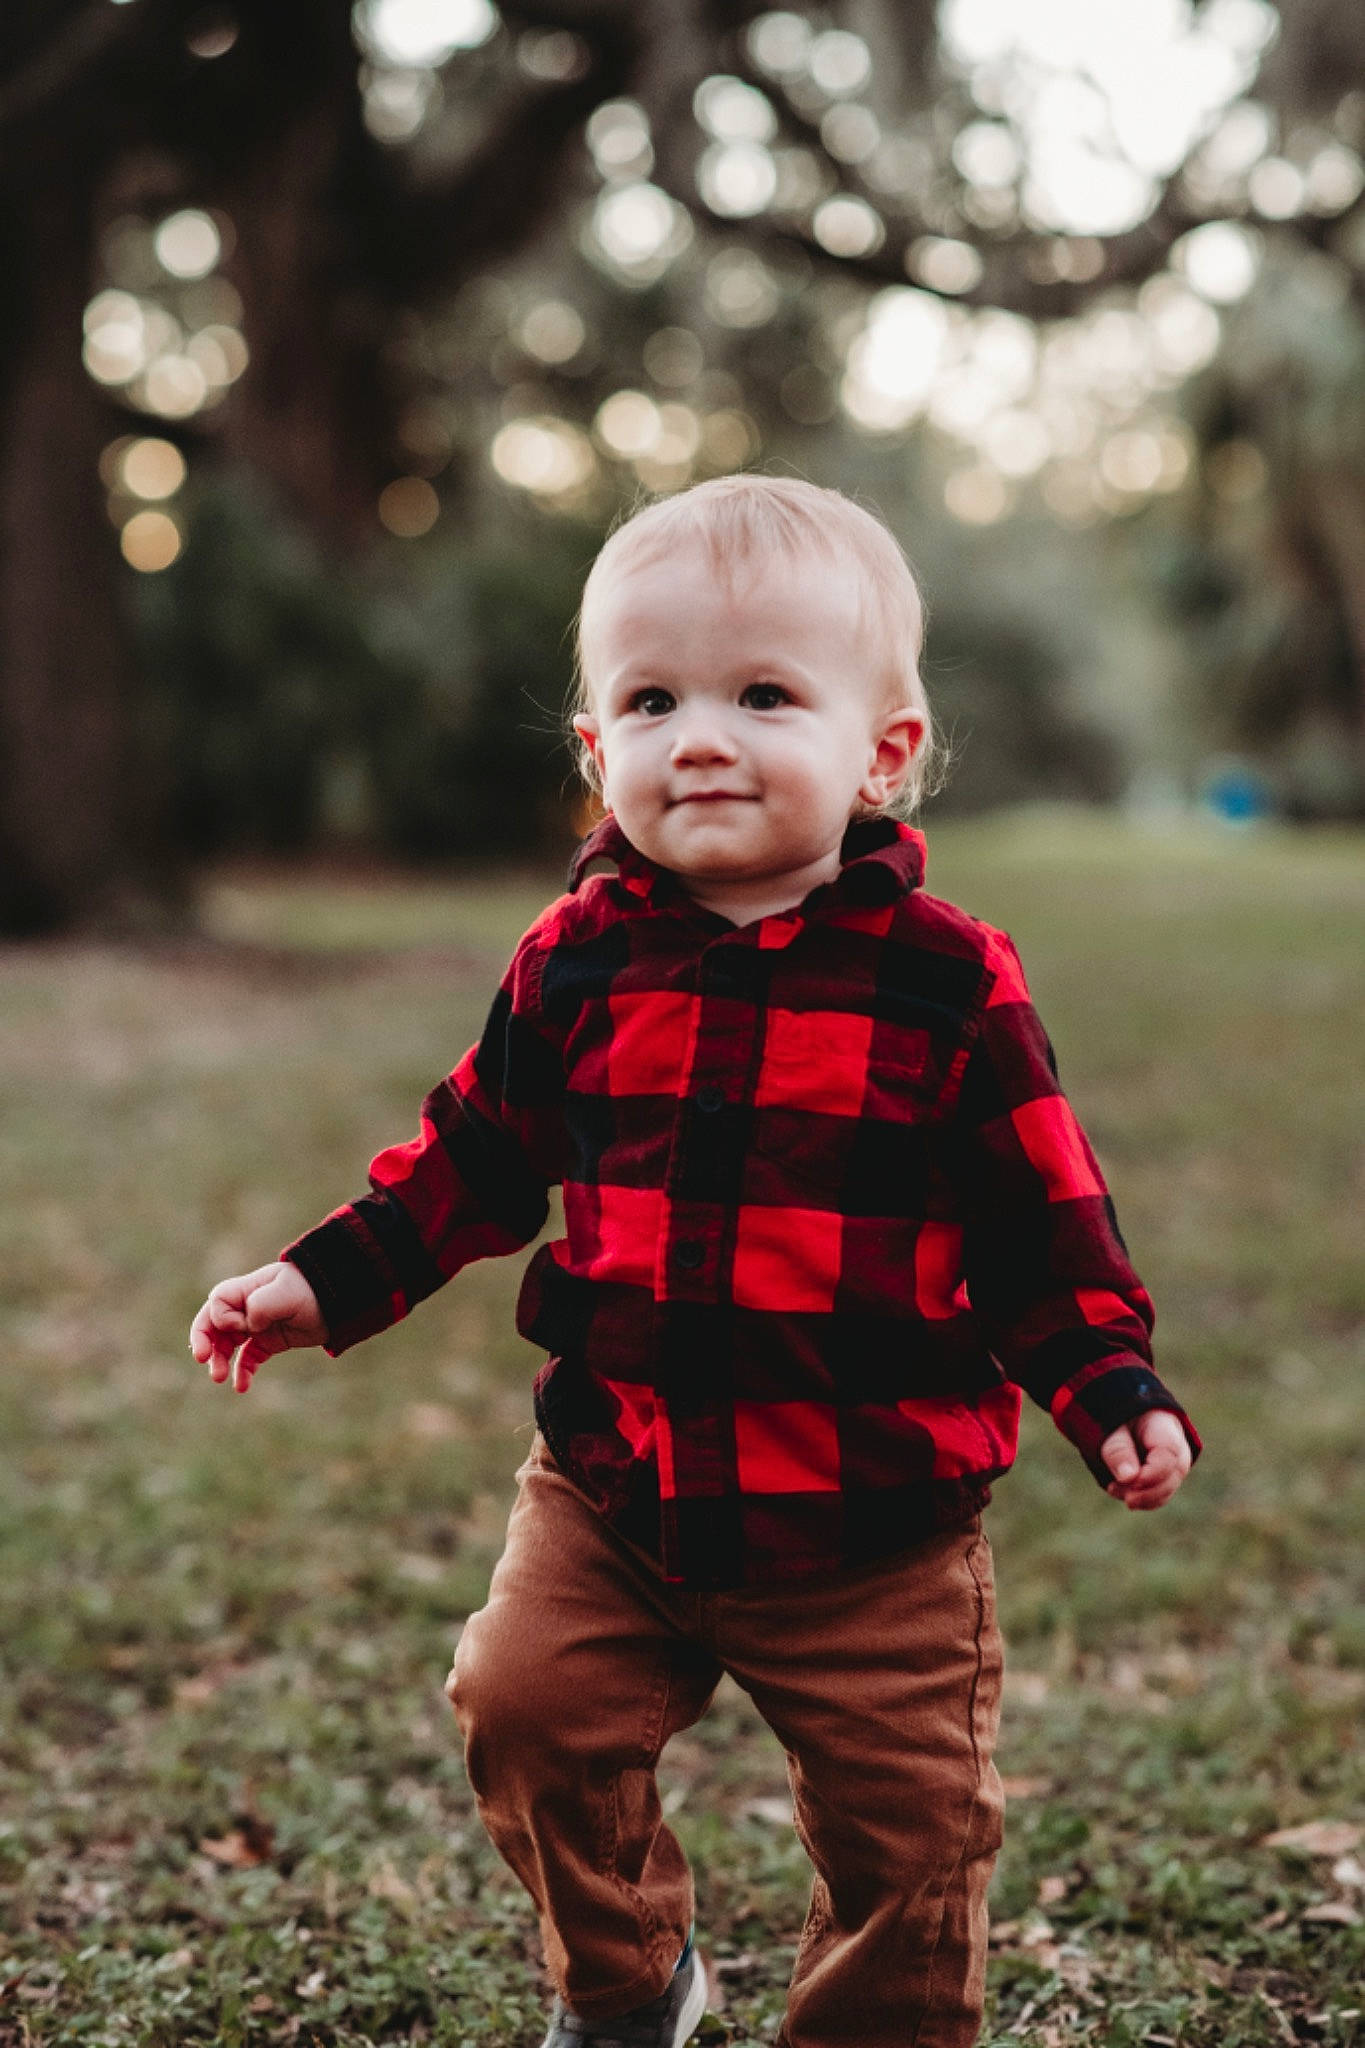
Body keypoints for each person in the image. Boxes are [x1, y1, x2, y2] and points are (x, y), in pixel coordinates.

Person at [190, 475, 1199, 2048]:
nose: (702, 738)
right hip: (618, 1485)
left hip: (871, 1519)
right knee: (521, 1706)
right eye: (651, 700)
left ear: (882, 751)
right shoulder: (574, 961)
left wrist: (1108, 1382)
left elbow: (1039, 1224)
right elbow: (471, 1159)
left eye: (764, 696)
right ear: (597, 754)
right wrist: (321, 1281)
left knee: (911, 1836)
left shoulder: (946, 985)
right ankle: (625, 1987)